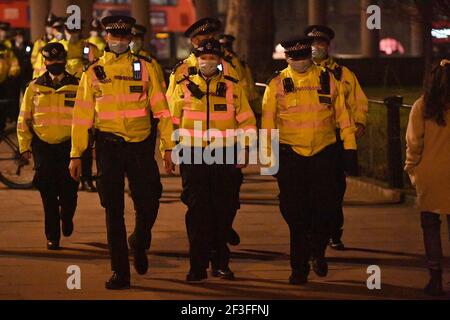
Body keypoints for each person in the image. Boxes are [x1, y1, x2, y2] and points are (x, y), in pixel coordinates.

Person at [69, 15, 175, 290]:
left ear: (130, 39)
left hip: (140, 146)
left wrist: (168, 147)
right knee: (112, 210)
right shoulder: (93, 72)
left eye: (123, 37)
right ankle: (120, 271)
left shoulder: (145, 68)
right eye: (114, 37)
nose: (118, 41)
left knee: (150, 199)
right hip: (108, 147)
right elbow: (81, 117)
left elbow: (162, 111)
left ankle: (139, 240)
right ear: (106, 37)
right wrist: (76, 153)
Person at [262, 36, 357, 285]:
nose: (300, 63)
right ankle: (299, 267)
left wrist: (350, 149)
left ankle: (317, 249)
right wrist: (269, 159)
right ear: (287, 58)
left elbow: (343, 117)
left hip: (324, 154)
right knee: (295, 215)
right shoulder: (277, 83)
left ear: (309, 57)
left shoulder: (328, 78)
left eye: (303, 58)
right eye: (295, 59)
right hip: (292, 155)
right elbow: (268, 124)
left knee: (326, 210)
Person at [169, 38, 256, 283]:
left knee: (224, 210)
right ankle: (197, 265)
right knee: (197, 211)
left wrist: (246, 146)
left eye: (212, 57)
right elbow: (171, 119)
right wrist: (168, 148)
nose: (208, 61)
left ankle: (220, 262)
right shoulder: (183, 85)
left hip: (225, 153)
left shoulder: (232, 86)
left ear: (220, 60)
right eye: (203, 57)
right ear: (196, 59)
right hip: (193, 153)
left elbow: (247, 119)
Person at [305, 25, 368, 250]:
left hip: (338, 138)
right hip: (311, 138)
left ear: (328, 46)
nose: (316, 48)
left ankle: (333, 230)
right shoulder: (300, 72)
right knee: (311, 188)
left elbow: (359, 101)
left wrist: (359, 122)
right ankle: (313, 229)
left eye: (320, 43)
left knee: (335, 187)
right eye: (312, 44)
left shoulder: (342, 73)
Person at [16, 43, 79, 250]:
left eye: (59, 60)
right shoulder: (34, 87)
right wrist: (24, 147)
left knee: (69, 192)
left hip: (69, 146)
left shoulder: (77, 86)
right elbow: (24, 119)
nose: (55, 64)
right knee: (48, 193)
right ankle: (53, 236)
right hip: (43, 146)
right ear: (45, 62)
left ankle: (67, 217)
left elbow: (88, 117)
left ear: (65, 60)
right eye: (51, 61)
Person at [405, 59, 450, 297]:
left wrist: (412, 169)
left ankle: (435, 277)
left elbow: (414, 143)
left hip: (430, 174)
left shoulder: (422, 106)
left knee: (431, 227)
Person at [166, 17, 241, 101]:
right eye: (207, 37)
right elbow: (171, 101)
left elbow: (240, 96)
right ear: (195, 41)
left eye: (213, 36)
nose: (211, 39)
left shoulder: (228, 65)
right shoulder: (182, 70)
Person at [31, 13, 55, 79]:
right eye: (48, 26)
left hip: (53, 75)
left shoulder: (57, 42)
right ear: (45, 27)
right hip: (38, 75)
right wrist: (37, 67)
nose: (49, 28)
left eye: (51, 26)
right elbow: (33, 59)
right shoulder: (38, 42)